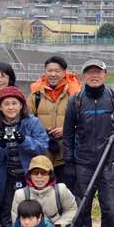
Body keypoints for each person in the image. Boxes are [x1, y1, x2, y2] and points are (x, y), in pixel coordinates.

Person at [62, 59, 114, 227]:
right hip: (83, 164)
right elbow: (68, 134)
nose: (94, 75)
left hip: (110, 164)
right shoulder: (76, 101)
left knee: (110, 210)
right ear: (83, 77)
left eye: (98, 72)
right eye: (89, 72)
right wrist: (69, 163)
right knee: (82, 209)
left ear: (105, 75)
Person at [0, 86, 50, 227]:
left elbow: (43, 147)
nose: (10, 107)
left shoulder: (32, 122)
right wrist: (0, 145)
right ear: (0, 107)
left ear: (21, 105)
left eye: (14, 103)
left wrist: (25, 141)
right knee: (8, 209)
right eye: (6, 104)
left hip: (30, 174)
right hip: (8, 175)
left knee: (33, 207)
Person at [27, 55, 82, 186]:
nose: (53, 74)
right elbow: (26, 122)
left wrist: (66, 131)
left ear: (64, 73)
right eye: (49, 70)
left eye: (57, 71)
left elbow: (84, 123)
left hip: (66, 158)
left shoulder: (75, 95)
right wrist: (42, 133)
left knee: (65, 196)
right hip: (41, 157)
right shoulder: (36, 95)